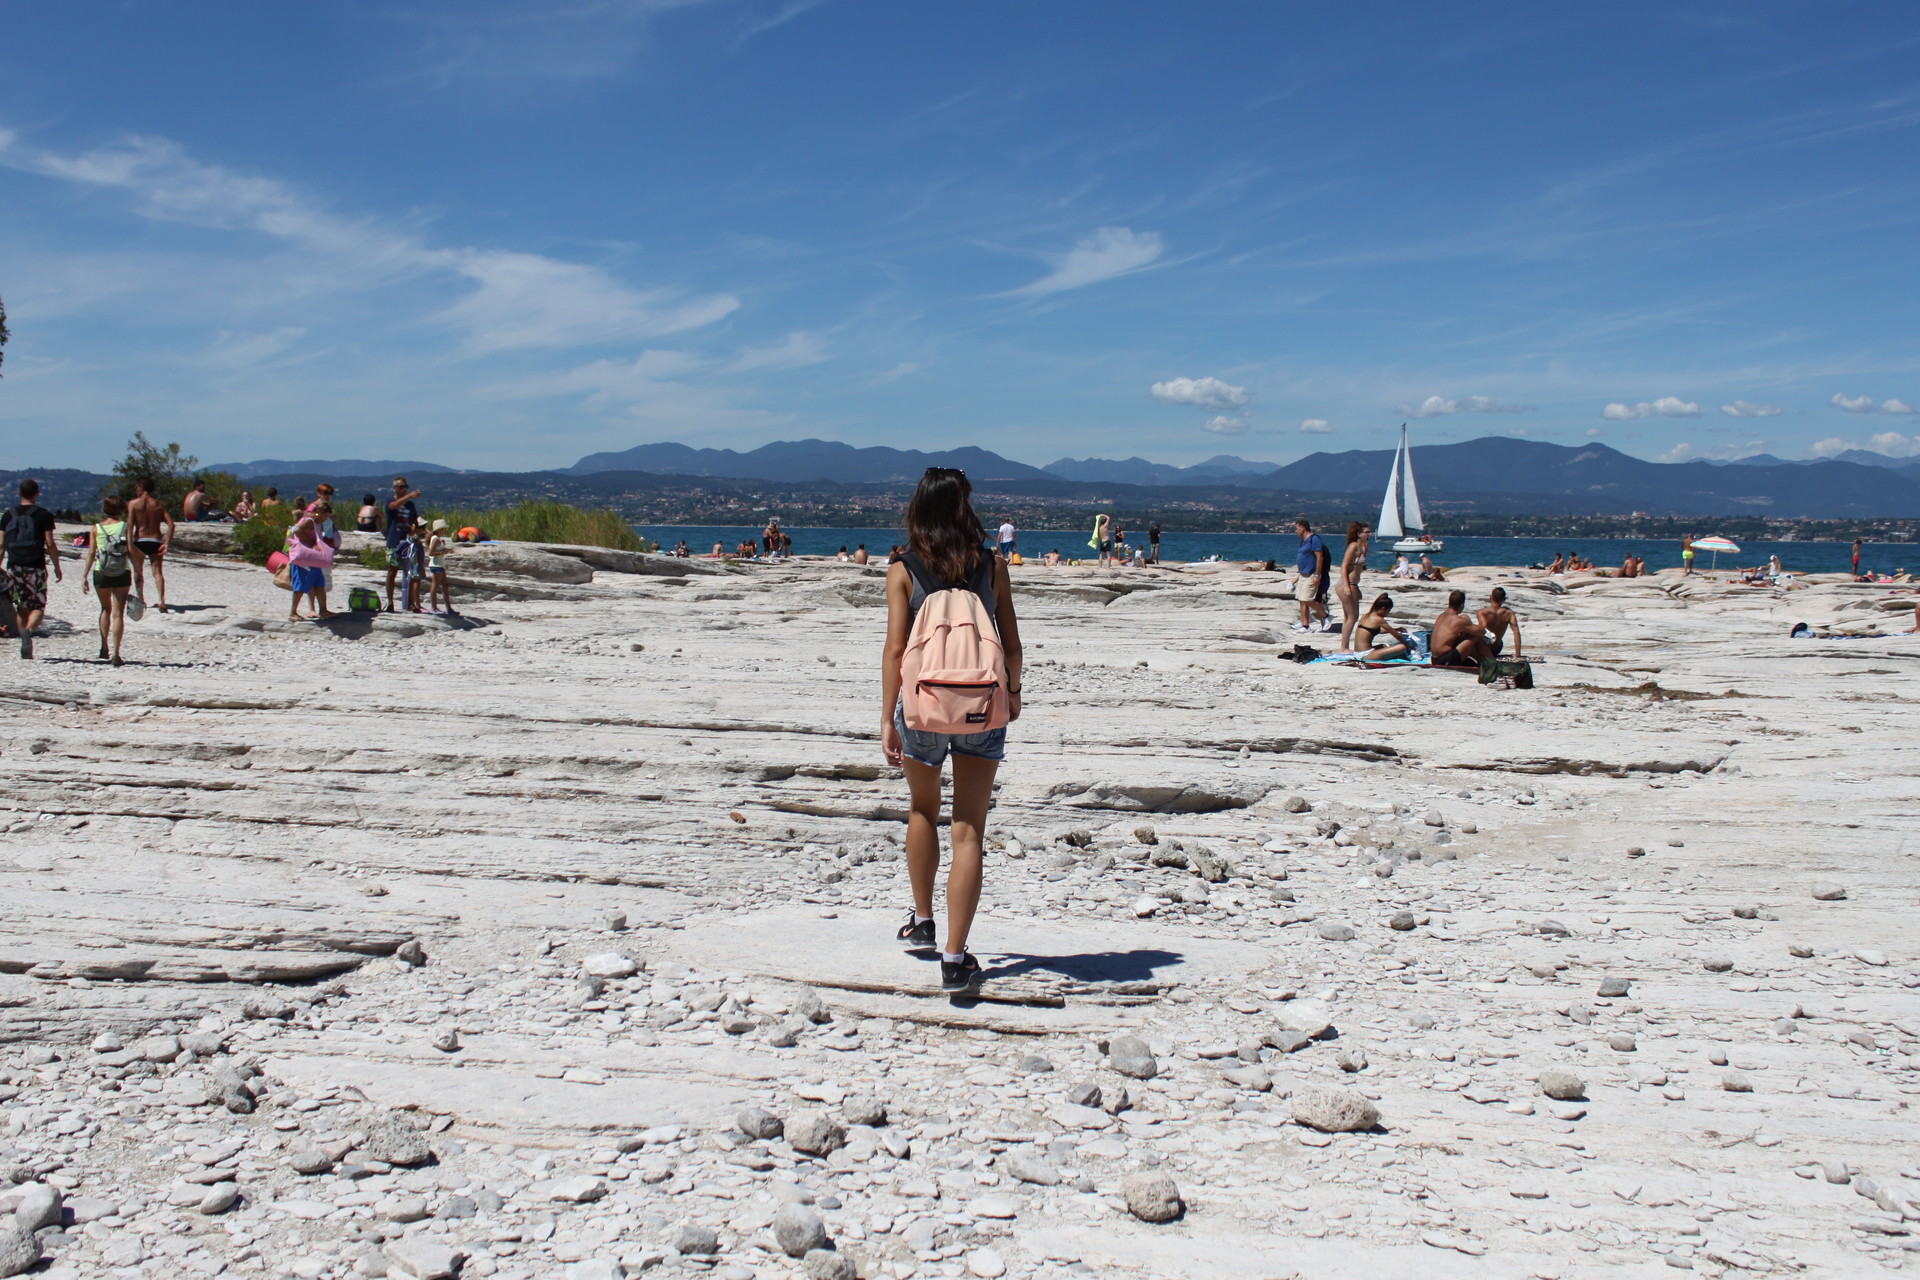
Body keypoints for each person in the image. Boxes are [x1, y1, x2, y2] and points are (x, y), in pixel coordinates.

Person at [881, 467, 1023, 993]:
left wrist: (886, 716)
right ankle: (955, 958)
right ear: (966, 508)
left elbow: (896, 651)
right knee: (969, 829)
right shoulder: (991, 565)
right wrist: (1014, 693)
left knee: (922, 810)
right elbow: (1010, 645)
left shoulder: (903, 567)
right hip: (982, 706)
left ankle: (922, 922)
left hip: (921, 708)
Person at [1, 478, 63, 659]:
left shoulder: (8, 515)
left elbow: (0, 544)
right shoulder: (43, 515)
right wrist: (57, 567)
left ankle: (23, 639)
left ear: (19, 493)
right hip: (36, 566)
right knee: (38, 605)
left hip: (14, 566)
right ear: (37, 494)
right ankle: (28, 630)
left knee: (21, 605)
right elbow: (50, 544)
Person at [83, 495, 135, 666]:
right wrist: (139, 571)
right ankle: (116, 653)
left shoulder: (96, 528)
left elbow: (91, 552)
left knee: (105, 609)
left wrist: (84, 575)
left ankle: (103, 646)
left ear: (104, 509)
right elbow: (130, 550)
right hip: (122, 571)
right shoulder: (125, 527)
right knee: (118, 613)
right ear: (122, 509)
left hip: (101, 572)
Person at [125, 477, 176, 615]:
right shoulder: (158, 504)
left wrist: (129, 544)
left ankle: (140, 598)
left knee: (138, 571)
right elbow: (171, 524)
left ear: (141, 487)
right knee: (157, 572)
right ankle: (162, 600)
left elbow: (129, 526)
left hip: (140, 540)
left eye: (137, 487)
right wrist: (167, 543)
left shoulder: (133, 504)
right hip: (155, 540)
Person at [285, 513, 336, 621]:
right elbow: (298, 530)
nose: (325, 518)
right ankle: (293, 612)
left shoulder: (316, 523)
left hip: (312, 560)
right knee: (300, 586)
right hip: (304, 560)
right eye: (325, 516)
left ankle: (323, 610)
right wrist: (311, 543)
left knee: (319, 584)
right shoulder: (310, 521)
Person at [1430, 589, 1493, 670]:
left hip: (1435, 659)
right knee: (1475, 636)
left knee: (1466, 631)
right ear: (1462, 605)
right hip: (1445, 660)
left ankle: (1483, 662)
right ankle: (1492, 663)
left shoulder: (1441, 616)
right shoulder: (1457, 620)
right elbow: (1481, 631)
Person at [384, 477, 420, 612]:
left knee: (410, 573)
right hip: (394, 540)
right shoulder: (390, 501)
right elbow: (393, 507)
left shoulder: (410, 506)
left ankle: (410, 602)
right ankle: (390, 602)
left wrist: (416, 532)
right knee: (392, 571)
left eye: (405, 487)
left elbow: (415, 521)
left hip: (407, 542)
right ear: (395, 488)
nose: (404, 489)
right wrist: (409, 496)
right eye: (401, 487)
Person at [1291, 518, 1330, 633]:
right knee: (1301, 599)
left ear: (1302, 528)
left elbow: (1319, 557)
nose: (1296, 531)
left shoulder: (1314, 539)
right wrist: (1297, 577)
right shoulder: (1303, 541)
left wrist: (1317, 575)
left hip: (1311, 574)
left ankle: (1326, 616)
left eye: (1296, 528)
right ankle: (1305, 625)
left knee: (1307, 598)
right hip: (1303, 575)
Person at [1350, 593, 1412, 661]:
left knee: (1384, 646)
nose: (1387, 614)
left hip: (1357, 653)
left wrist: (1396, 629)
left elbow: (1374, 631)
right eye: (1388, 611)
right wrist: (1410, 644)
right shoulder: (1378, 619)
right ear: (1383, 609)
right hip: (1366, 655)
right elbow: (1397, 636)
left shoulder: (1365, 616)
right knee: (1402, 647)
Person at [1336, 521, 1369, 651]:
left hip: (1353, 584)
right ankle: (1344, 648)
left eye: (1369, 532)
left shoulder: (1364, 547)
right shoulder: (1353, 546)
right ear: (1358, 534)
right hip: (1346, 583)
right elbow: (1344, 566)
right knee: (1352, 616)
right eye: (1366, 532)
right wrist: (1347, 586)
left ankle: (1344, 647)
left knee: (1348, 617)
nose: (1368, 534)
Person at [1478, 586, 1522, 657]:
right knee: (1500, 642)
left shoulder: (1482, 613)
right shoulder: (1509, 613)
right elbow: (1516, 632)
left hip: (1484, 648)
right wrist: (1518, 653)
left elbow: (1483, 629)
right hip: (1497, 648)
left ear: (1490, 597)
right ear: (1504, 599)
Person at [426, 519, 454, 614]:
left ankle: (448, 608)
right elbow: (431, 552)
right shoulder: (435, 539)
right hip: (436, 564)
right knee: (435, 585)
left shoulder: (437, 539)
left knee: (445, 585)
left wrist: (444, 549)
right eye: (442, 529)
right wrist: (442, 552)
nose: (444, 531)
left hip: (440, 564)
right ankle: (434, 607)